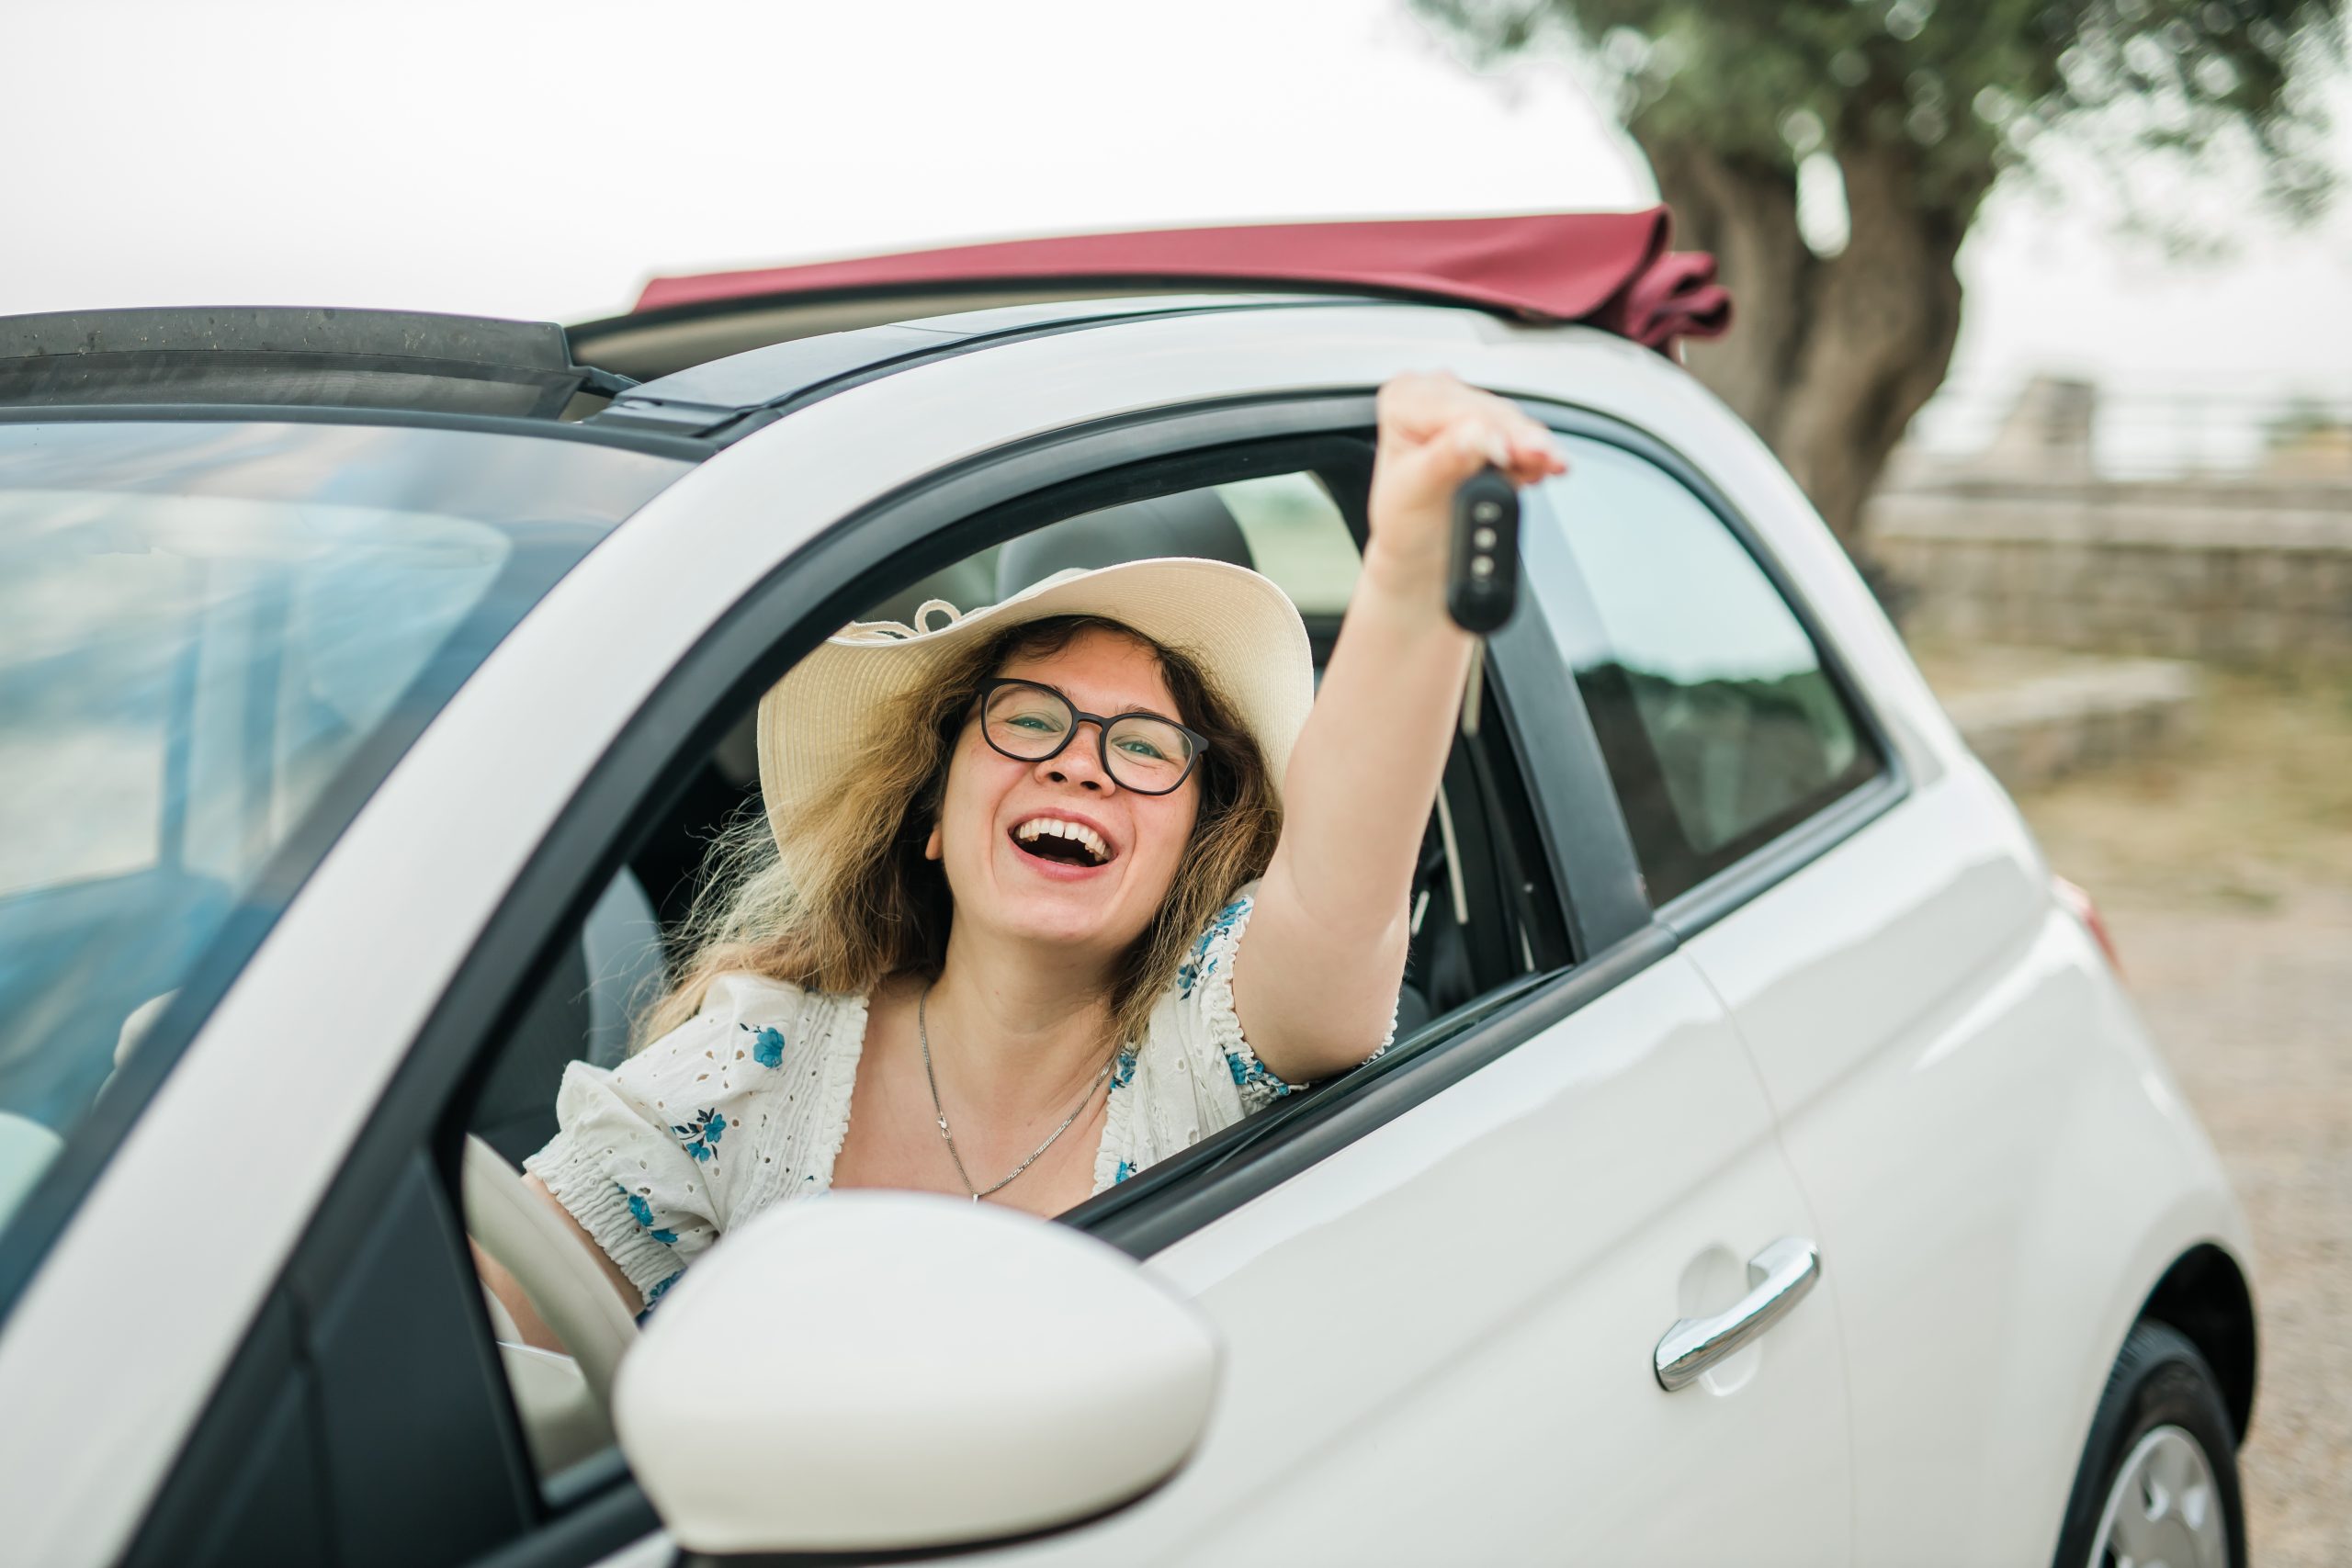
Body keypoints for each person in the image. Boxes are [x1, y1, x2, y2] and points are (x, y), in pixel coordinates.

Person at [481, 372, 1565, 1339]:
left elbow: (1341, 898)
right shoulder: (754, 1062)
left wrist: (1414, 573)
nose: (1082, 766)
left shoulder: (1207, 1038)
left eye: (1144, 746)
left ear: (1191, 845)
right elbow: (484, 1326)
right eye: (1028, 720)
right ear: (934, 814)